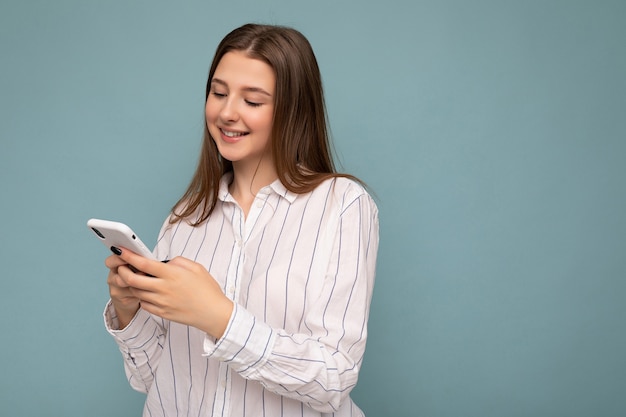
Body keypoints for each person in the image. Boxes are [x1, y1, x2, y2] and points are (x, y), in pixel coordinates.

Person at [103, 23, 379, 417]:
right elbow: (155, 381)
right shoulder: (184, 219)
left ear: (293, 110)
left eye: (252, 101)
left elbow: (333, 377)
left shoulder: (342, 205)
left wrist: (218, 317)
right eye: (218, 93)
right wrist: (129, 311)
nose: (226, 112)